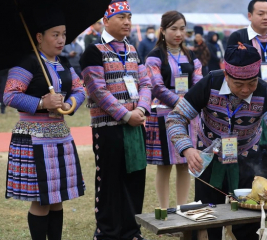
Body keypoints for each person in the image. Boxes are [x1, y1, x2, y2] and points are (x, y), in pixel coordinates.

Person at [166, 43, 267, 240]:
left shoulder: (265, 92)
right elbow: (175, 118)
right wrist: (186, 149)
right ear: (227, 76)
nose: (246, 89)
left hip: (247, 161)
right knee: (206, 219)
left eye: (251, 83)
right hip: (209, 160)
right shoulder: (210, 83)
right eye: (238, 84)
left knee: (248, 222)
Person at [3, 6, 86, 239]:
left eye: (64, 34)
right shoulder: (28, 62)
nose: (61, 40)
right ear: (39, 37)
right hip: (33, 138)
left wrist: (70, 104)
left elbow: (80, 88)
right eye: (55, 34)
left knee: (57, 199)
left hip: (60, 135)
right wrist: (42, 103)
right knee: (42, 200)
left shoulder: (63, 63)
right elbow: (9, 95)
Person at [79, 1, 152, 239]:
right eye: (121, 17)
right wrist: (126, 115)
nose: (127, 22)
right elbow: (97, 90)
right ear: (106, 21)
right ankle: (108, 233)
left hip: (135, 126)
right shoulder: (93, 50)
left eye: (129, 17)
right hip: (108, 128)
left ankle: (131, 232)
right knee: (109, 182)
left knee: (135, 180)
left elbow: (146, 83)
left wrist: (141, 109)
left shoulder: (132, 50)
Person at [226, 0, 267, 188]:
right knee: (247, 150)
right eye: (261, 13)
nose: (265, 17)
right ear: (250, 16)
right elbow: (229, 69)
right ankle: (244, 196)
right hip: (245, 103)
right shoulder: (238, 37)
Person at [145, 10, 203, 209]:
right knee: (164, 165)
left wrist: (190, 104)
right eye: (173, 29)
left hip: (188, 117)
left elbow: (199, 82)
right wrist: (183, 104)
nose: (178, 33)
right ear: (162, 31)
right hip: (162, 114)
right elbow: (156, 87)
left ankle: (181, 209)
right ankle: (163, 210)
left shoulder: (191, 55)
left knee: (185, 164)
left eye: (182, 29)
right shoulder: (154, 57)